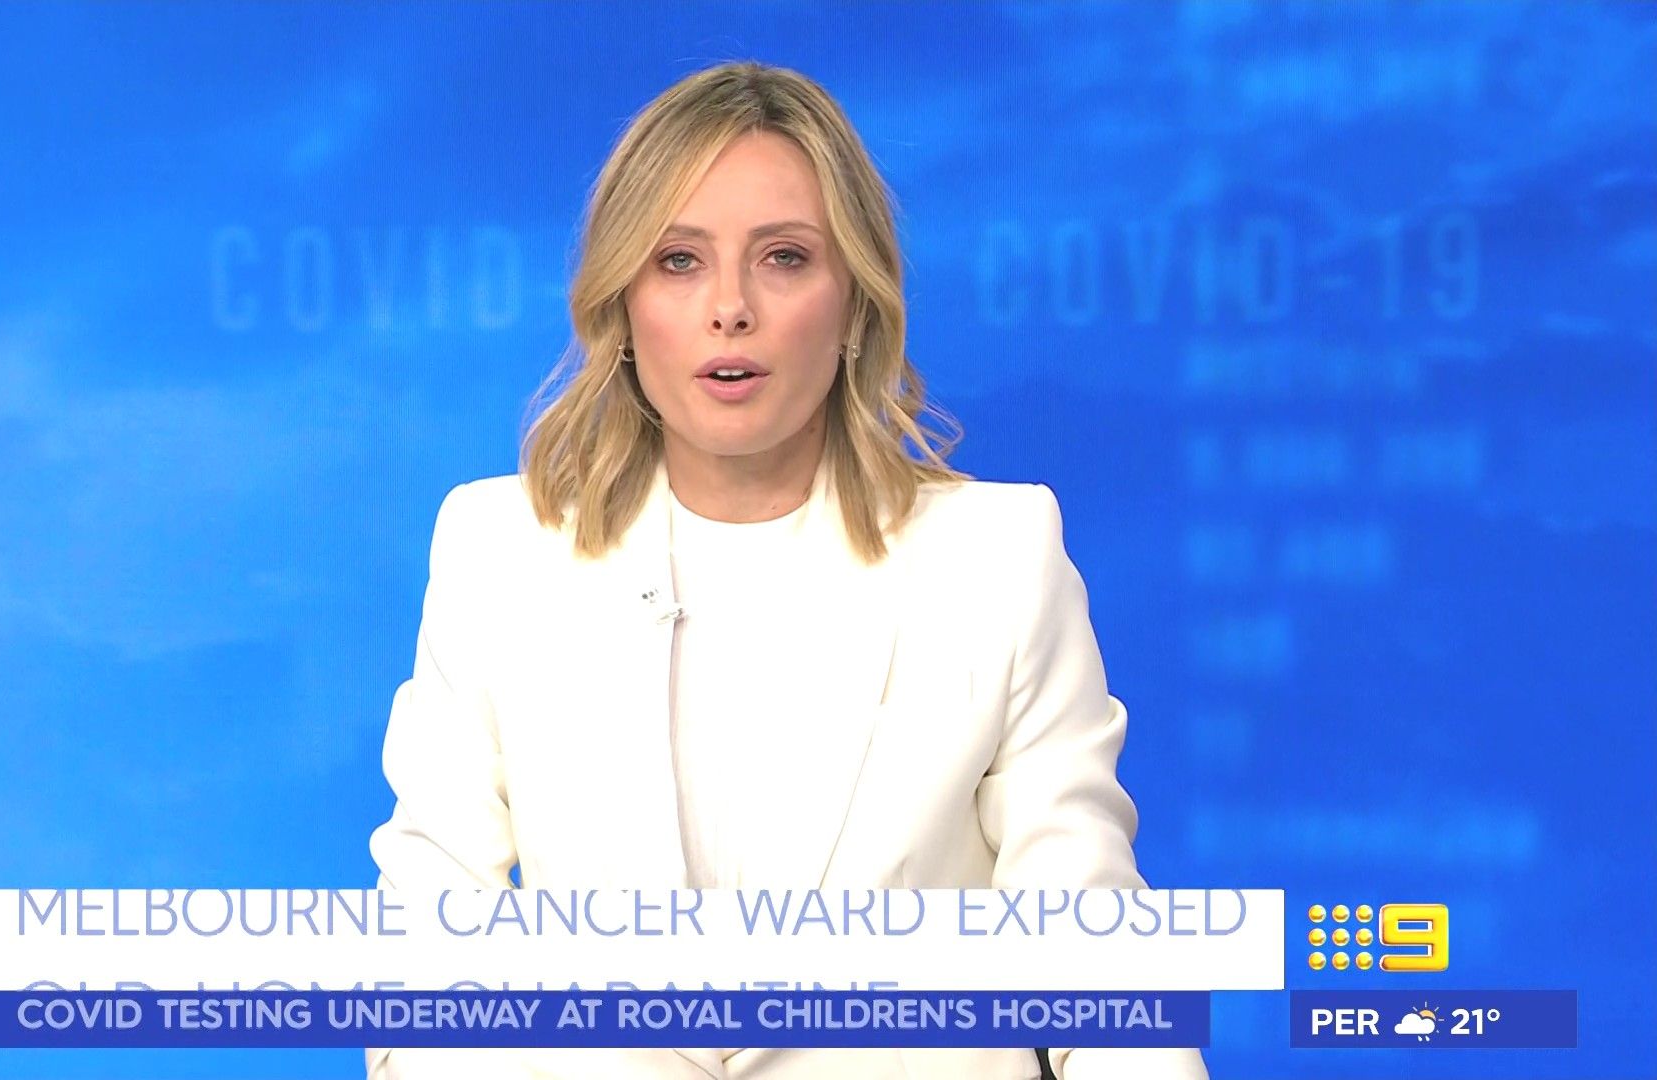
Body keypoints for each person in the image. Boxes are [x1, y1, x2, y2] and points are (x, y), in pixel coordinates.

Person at [366, 61, 1208, 1080]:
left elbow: (1094, 961)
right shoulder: (498, 551)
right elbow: (429, 951)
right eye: (680, 261)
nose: (730, 308)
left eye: (784, 258)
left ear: (854, 303)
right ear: (623, 305)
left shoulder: (996, 558)